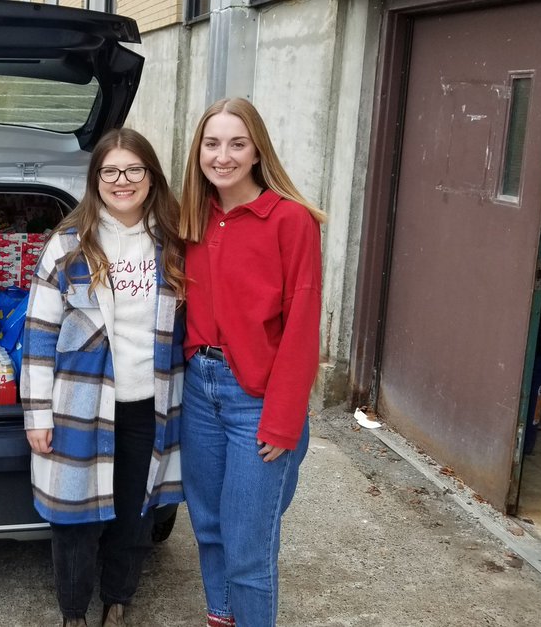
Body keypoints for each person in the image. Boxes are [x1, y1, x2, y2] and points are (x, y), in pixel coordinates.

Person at [21, 127, 186, 627]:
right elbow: (39, 335)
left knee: (134, 516)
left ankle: (118, 601)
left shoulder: (173, 243)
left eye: (133, 169)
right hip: (81, 404)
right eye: (110, 171)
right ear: (96, 180)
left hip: (148, 404)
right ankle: (73, 613)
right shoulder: (69, 244)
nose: (122, 181)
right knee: (75, 518)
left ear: (151, 178)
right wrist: (37, 413)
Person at [177, 98, 325, 627]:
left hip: (256, 400)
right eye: (212, 144)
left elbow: (303, 327)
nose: (223, 156)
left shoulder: (291, 221)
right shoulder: (190, 219)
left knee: (247, 546)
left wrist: (284, 420)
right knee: (209, 527)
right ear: (198, 152)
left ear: (257, 149)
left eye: (237, 143)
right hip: (199, 390)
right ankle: (222, 618)